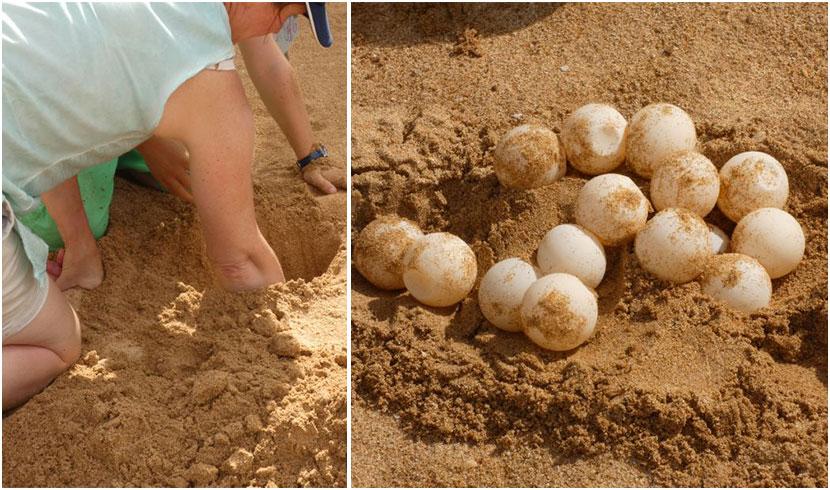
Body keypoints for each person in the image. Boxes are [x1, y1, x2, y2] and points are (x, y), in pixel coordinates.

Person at [2, 2, 335, 410]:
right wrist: (281, 335)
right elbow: (239, 262)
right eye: (285, 12)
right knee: (58, 343)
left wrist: (82, 250)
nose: (279, 26)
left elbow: (46, 115)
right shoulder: (213, 87)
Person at [21, 3, 345, 291]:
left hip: (95, 73)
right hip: (34, 89)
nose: (278, 28)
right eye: (281, 12)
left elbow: (267, 58)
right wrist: (80, 244)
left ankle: (124, 147)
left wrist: (310, 156)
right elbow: (49, 92)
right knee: (67, 228)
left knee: (189, 160)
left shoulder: (221, 20)